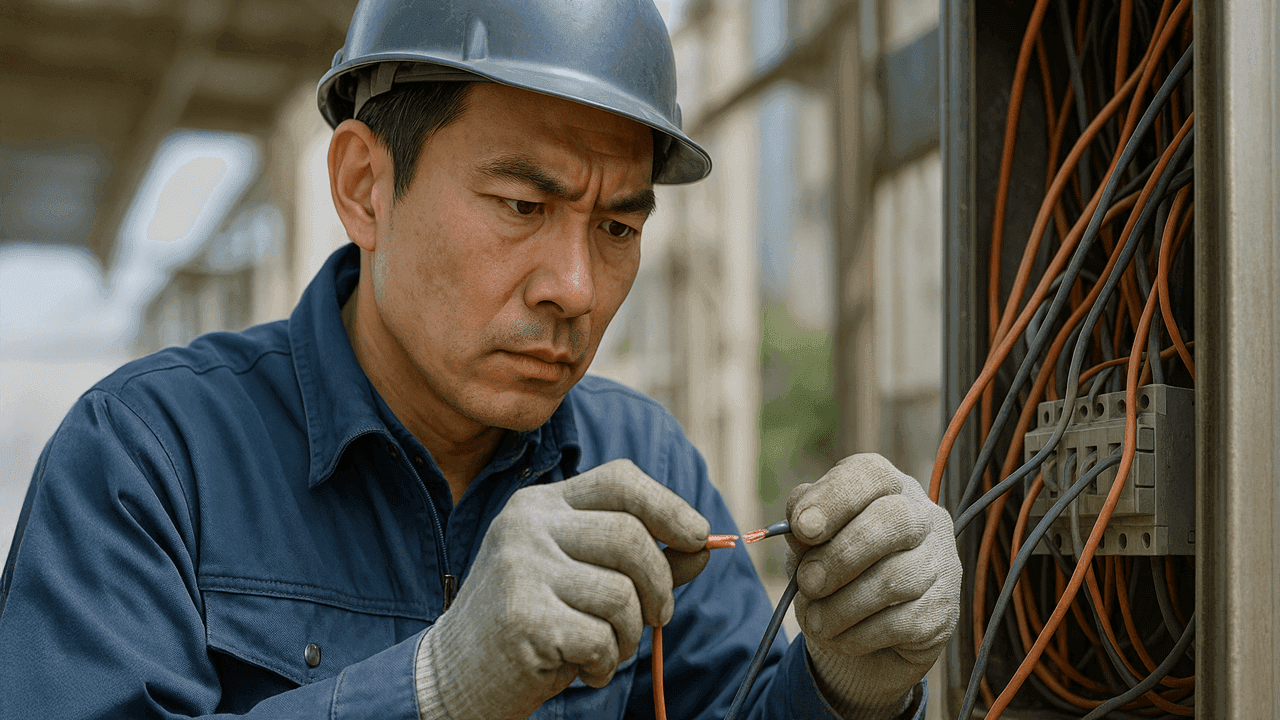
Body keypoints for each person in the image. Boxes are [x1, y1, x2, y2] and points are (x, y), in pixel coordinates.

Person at [0, 1, 961, 718]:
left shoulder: (643, 460)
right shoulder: (149, 462)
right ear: (365, 186)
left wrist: (847, 685)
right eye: (522, 207)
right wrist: (432, 685)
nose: (577, 288)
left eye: (618, 225)